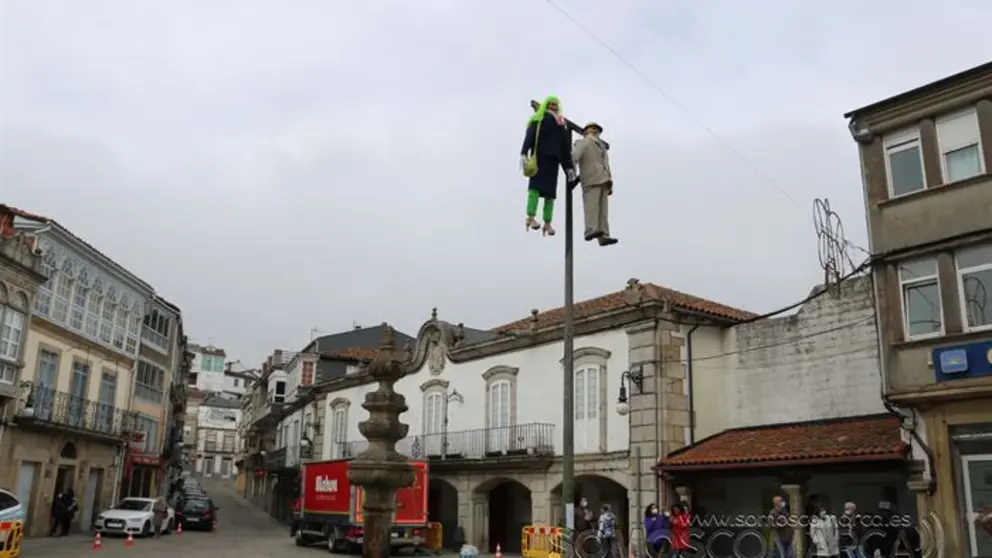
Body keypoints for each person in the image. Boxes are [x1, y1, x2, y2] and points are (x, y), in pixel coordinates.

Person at [520, 95, 576, 236]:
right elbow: (530, 136)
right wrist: (524, 152)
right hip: (540, 158)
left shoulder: (560, 125)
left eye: (555, 105)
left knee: (550, 194)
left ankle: (547, 222)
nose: (552, 107)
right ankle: (530, 217)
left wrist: (568, 167)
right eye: (550, 104)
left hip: (553, 162)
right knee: (535, 189)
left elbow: (564, 149)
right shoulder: (539, 119)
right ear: (546, 105)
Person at [572, 122, 617, 246]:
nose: (595, 131)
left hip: (603, 178)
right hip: (591, 178)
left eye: (597, 129)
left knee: (603, 210)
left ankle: (603, 235)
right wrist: (571, 171)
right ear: (586, 131)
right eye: (592, 128)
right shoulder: (583, 142)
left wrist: (610, 179)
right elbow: (574, 157)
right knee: (592, 205)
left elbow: (606, 164)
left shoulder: (601, 146)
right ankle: (590, 229)